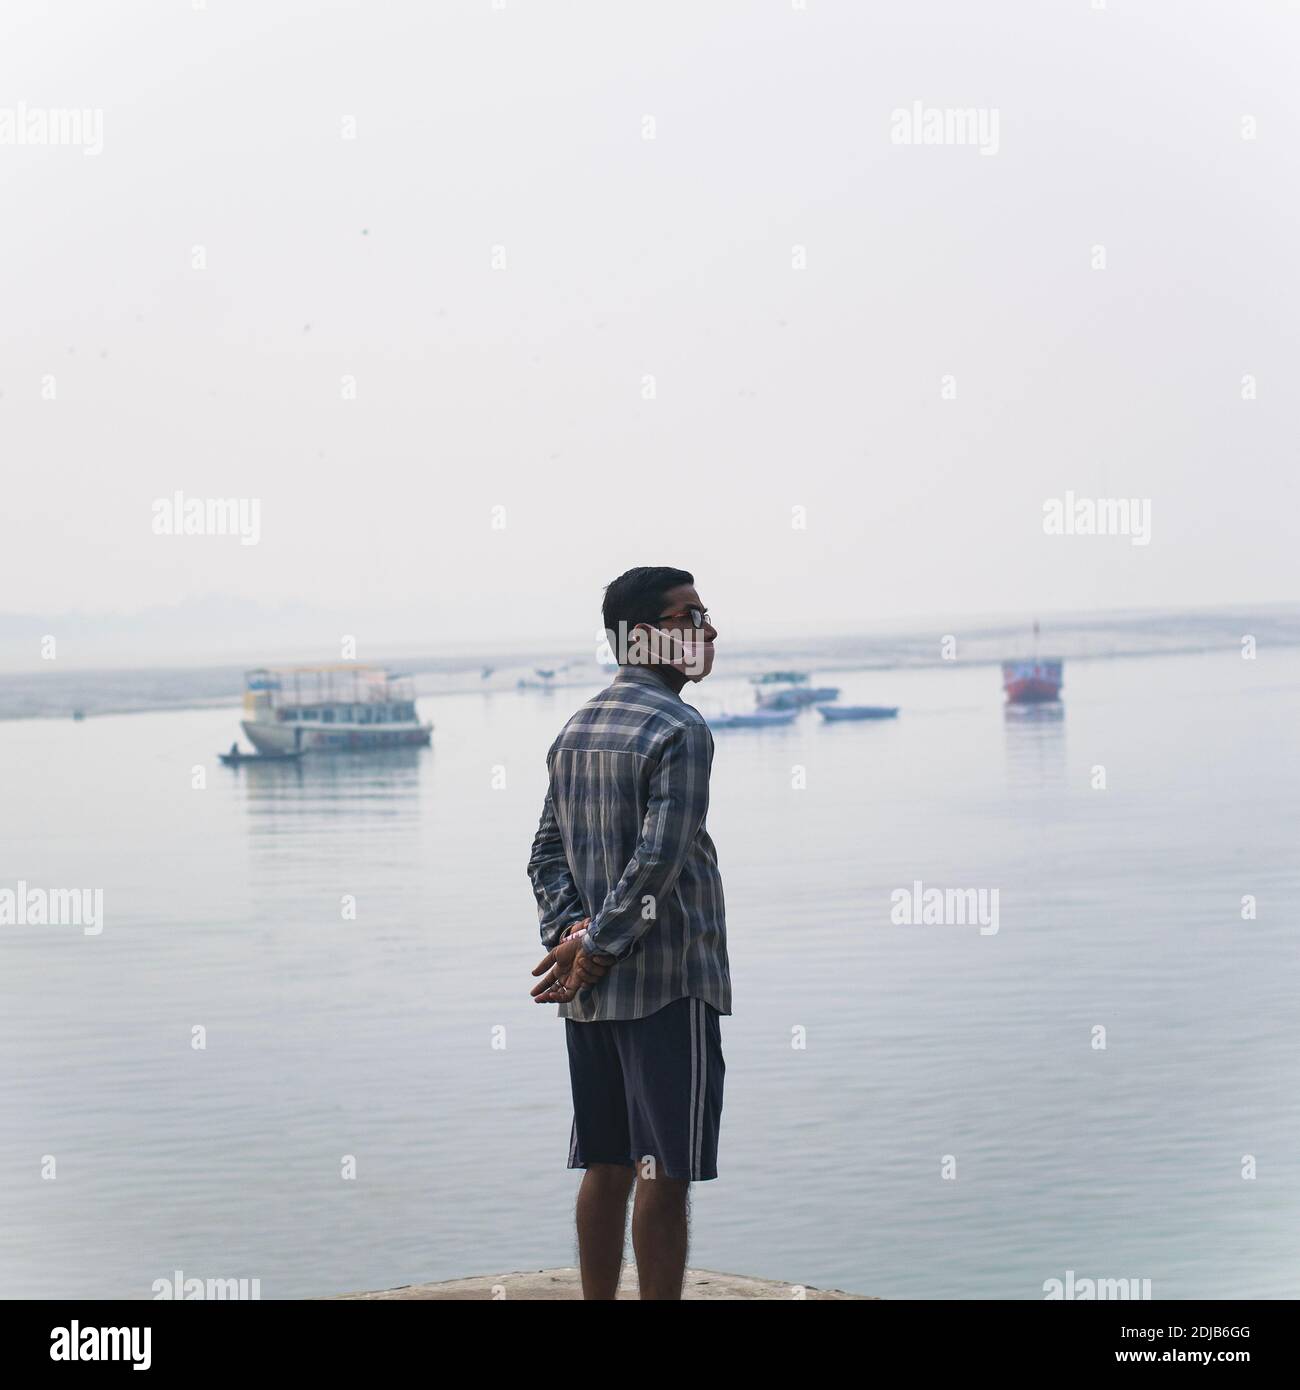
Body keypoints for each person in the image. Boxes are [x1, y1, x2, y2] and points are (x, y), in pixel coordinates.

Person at [526, 566, 730, 1300]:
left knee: (608, 1164)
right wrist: (597, 946)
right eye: (689, 616)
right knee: (663, 1173)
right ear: (641, 634)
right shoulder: (680, 729)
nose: (707, 631)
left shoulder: (577, 727)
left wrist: (574, 935)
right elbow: (659, 863)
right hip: (668, 983)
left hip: (591, 993)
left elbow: (545, 855)